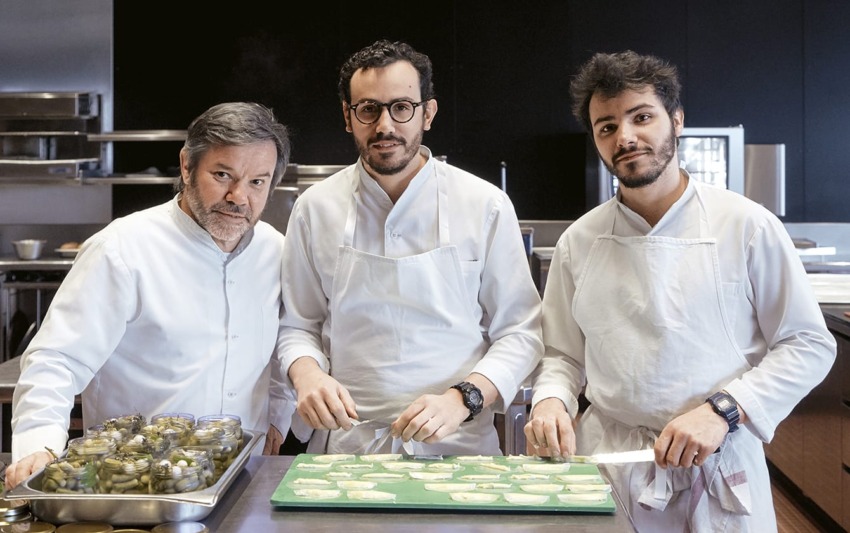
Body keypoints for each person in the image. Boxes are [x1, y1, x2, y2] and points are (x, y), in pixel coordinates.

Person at [524, 50, 837, 531]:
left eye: (642, 117)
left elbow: (808, 343)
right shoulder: (578, 242)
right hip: (611, 462)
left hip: (720, 458)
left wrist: (723, 411)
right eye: (606, 127)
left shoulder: (747, 226)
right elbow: (563, 354)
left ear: (677, 120)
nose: (624, 137)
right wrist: (550, 400)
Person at [6, 102, 294, 488]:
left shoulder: (274, 250)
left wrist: (279, 412)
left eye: (257, 182)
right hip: (135, 484)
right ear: (186, 166)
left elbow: (287, 342)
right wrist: (38, 445)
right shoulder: (121, 249)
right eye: (222, 174)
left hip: (243, 477)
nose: (239, 197)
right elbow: (57, 359)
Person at [278, 39, 543, 455]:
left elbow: (520, 332)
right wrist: (307, 376)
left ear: (428, 113)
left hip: (460, 447)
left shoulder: (483, 204)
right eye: (368, 109)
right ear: (348, 117)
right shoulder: (315, 208)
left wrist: (463, 399)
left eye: (401, 107)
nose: (385, 125)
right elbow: (298, 325)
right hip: (348, 446)